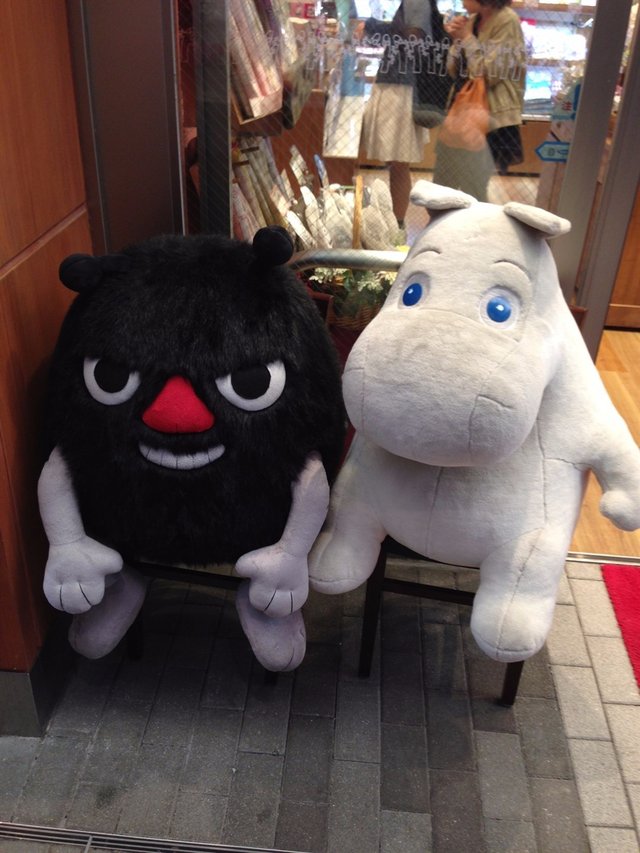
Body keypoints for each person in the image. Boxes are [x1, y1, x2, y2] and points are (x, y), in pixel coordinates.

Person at [356, 1, 440, 237]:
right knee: (398, 163)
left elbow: (411, 37)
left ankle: (398, 226)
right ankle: (397, 224)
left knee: (399, 162)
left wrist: (372, 27)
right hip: (400, 85)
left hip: (401, 88)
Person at [432, 0, 526, 202]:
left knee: (472, 187)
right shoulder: (473, 19)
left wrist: (467, 38)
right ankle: (443, 221)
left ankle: (472, 223)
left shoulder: (506, 20)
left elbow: (489, 73)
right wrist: (457, 39)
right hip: (460, 111)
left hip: (488, 117)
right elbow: (452, 69)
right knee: (443, 182)